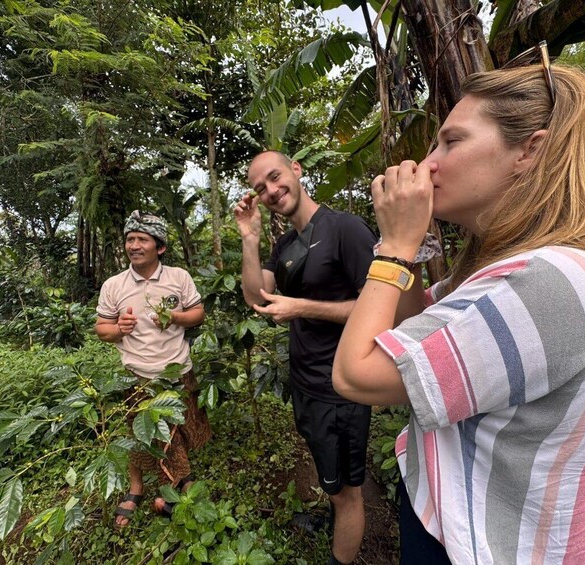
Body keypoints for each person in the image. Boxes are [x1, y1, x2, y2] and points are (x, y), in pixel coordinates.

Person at [332, 62, 585, 564]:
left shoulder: (554, 280)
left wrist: (392, 247)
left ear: (530, 150)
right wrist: (412, 249)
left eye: (450, 142)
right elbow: (414, 328)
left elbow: (356, 373)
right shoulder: (543, 267)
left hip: (477, 547)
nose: (429, 163)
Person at [234, 151, 378, 565]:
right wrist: (249, 239)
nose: (271, 190)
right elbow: (256, 297)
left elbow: (378, 307)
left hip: (340, 388)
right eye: (260, 188)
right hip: (306, 382)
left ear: (296, 170)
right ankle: (331, 516)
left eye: (275, 177)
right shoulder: (285, 244)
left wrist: (302, 308)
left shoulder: (345, 229)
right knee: (330, 476)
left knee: (348, 493)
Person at [95, 210, 211, 528]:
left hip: (177, 370)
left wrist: (176, 317)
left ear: (159, 247)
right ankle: (138, 487)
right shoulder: (114, 285)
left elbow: (198, 313)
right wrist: (118, 329)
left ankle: (179, 480)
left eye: (142, 239)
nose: (134, 245)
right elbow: (102, 329)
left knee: (177, 430)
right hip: (137, 375)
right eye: (130, 239)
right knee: (140, 433)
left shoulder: (178, 278)